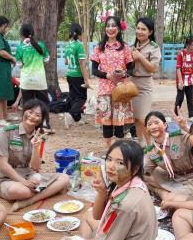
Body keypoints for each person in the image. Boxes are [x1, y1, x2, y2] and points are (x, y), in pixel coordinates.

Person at [40, 140, 157, 240]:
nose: (111, 166)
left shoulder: (124, 204)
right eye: (109, 159)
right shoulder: (132, 183)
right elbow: (97, 216)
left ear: (134, 168)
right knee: (88, 215)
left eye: (120, 162)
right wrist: (102, 192)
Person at [0, 98, 70, 212]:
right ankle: (36, 194)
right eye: (30, 112)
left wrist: (36, 147)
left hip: (30, 176)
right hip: (8, 179)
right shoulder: (6, 131)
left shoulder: (39, 136)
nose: (32, 116)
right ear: (24, 112)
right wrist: (24, 182)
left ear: (41, 119)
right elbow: (3, 165)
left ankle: (28, 201)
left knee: (64, 178)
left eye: (38, 115)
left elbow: (35, 167)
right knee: (23, 191)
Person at [91, 16, 134, 147]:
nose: (110, 28)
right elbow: (94, 70)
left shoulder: (125, 47)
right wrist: (108, 76)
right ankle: (109, 150)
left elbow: (131, 68)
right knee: (106, 124)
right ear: (105, 29)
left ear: (119, 29)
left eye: (113, 25)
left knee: (120, 124)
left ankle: (119, 151)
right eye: (108, 26)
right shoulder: (99, 47)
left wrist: (124, 73)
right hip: (104, 90)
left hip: (121, 90)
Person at [143, 111, 193, 202]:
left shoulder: (179, 136)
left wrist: (185, 127)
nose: (153, 127)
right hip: (173, 178)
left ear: (165, 125)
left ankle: (164, 193)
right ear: (147, 129)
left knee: (174, 199)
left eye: (156, 123)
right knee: (140, 176)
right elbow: (143, 169)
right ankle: (164, 192)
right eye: (149, 124)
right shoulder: (151, 150)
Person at [13, 23, 52, 131]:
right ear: (33, 33)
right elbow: (46, 59)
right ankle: (44, 123)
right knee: (43, 102)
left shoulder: (20, 47)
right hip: (40, 79)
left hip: (26, 79)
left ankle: (27, 124)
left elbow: (19, 64)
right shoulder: (41, 45)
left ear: (21, 34)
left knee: (27, 103)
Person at [130, 17, 161, 146]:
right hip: (132, 84)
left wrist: (140, 57)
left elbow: (153, 68)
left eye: (144, 29)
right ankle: (141, 143)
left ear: (150, 32)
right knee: (136, 118)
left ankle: (150, 145)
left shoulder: (154, 48)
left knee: (144, 118)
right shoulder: (132, 47)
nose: (140, 31)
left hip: (145, 84)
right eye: (138, 28)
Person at [64, 23, 91, 129]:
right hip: (77, 76)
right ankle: (70, 115)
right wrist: (86, 80)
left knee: (73, 97)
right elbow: (81, 63)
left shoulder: (68, 45)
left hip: (69, 74)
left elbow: (66, 62)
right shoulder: (79, 45)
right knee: (81, 98)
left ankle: (77, 118)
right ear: (80, 33)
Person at [174, 37, 193, 120]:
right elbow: (178, 68)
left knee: (190, 98)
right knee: (180, 98)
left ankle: (192, 115)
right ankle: (176, 114)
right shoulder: (180, 54)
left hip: (190, 80)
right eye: (192, 45)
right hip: (181, 80)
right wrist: (180, 81)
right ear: (187, 45)